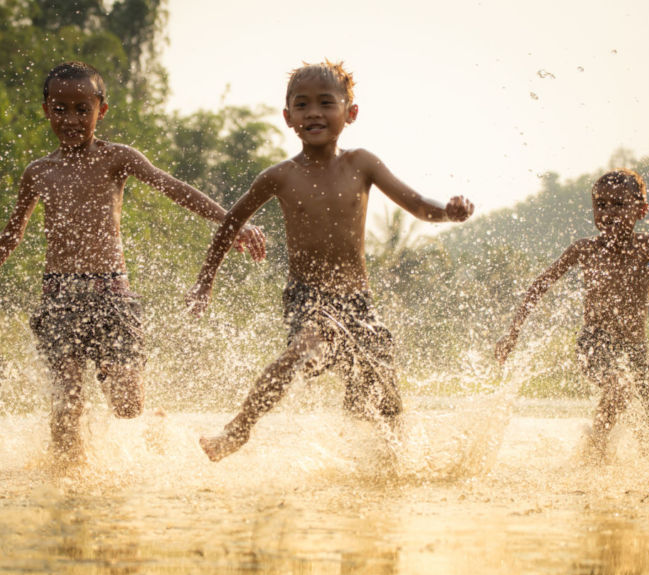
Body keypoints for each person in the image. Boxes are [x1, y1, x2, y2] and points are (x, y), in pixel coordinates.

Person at [0, 61, 265, 458]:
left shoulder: (117, 158)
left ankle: (154, 422)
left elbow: (172, 187)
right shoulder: (39, 172)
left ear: (102, 110)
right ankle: (67, 493)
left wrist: (231, 222)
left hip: (112, 295)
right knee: (66, 406)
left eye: (83, 109)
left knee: (127, 407)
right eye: (60, 109)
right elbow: (11, 236)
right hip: (59, 298)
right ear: (46, 110)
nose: (71, 119)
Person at [186, 61, 474, 462]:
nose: (314, 113)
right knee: (308, 346)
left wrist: (447, 211)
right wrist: (205, 281)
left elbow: (418, 205)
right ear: (289, 118)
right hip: (308, 297)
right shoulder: (279, 176)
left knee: (384, 401)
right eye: (302, 105)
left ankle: (390, 468)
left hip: (358, 301)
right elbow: (231, 223)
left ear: (350, 113)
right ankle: (239, 428)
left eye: (326, 102)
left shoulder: (362, 164)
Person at [496, 169, 649, 462]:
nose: (608, 212)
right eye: (601, 205)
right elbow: (540, 284)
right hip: (594, 342)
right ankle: (595, 453)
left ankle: (633, 476)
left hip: (637, 350)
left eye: (618, 204)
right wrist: (512, 332)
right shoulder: (585, 249)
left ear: (641, 209)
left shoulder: (648, 246)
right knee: (619, 385)